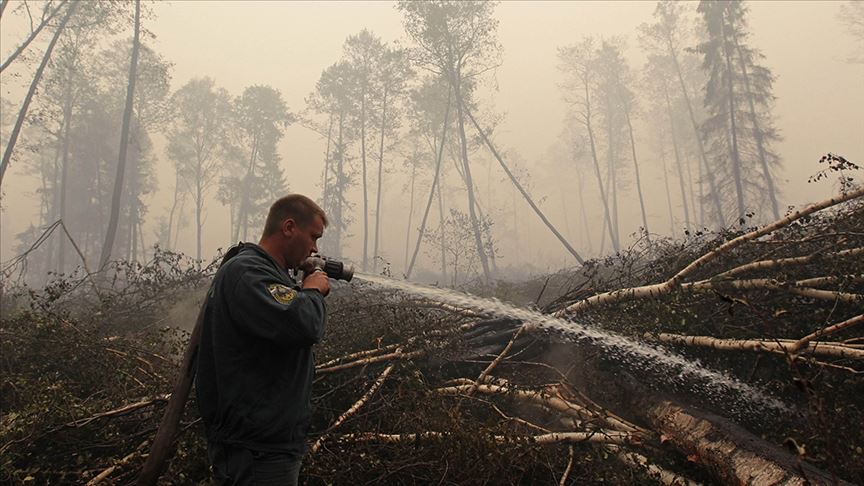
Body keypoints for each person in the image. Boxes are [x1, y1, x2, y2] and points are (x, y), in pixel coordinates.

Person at [196, 194, 331, 485]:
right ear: (289, 227)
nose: (315, 249)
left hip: (268, 447)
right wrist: (312, 290)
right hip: (256, 451)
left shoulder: (268, 275)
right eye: (313, 237)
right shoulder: (248, 273)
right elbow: (303, 324)